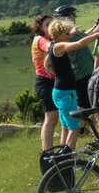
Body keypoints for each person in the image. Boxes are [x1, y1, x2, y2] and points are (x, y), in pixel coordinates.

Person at [44, 18, 99, 150]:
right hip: (66, 93)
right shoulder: (59, 46)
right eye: (66, 34)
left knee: (66, 125)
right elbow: (78, 45)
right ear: (58, 34)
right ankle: (68, 157)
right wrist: (95, 35)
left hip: (61, 91)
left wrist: (59, 74)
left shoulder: (53, 45)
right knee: (75, 128)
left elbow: (46, 64)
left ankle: (62, 154)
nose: (68, 36)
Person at [53, 5, 99, 135]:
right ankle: (80, 130)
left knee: (84, 101)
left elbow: (84, 35)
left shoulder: (68, 33)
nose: (75, 17)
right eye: (72, 15)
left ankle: (81, 129)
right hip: (81, 72)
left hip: (83, 71)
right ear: (67, 17)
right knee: (83, 102)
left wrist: (97, 26)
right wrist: (98, 29)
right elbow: (83, 39)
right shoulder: (68, 35)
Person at [31, 14, 58, 151]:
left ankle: (48, 152)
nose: (50, 27)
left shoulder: (45, 38)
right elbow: (50, 47)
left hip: (49, 81)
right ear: (40, 27)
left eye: (52, 24)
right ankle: (47, 153)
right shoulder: (41, 39)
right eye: (47, 25)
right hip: (45, 82)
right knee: (51, 118)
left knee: (53, 119)